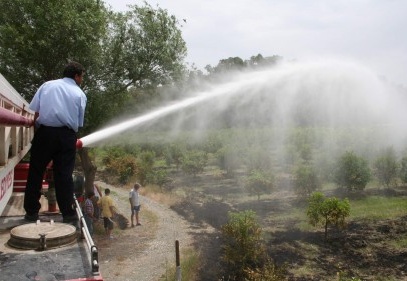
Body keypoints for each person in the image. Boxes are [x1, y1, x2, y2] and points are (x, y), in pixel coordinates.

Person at [24, 61, 87, 223]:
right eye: (81, 77)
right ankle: (68, 214)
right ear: (76, 76)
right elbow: (78, 124)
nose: (82, 80)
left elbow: (36, 113)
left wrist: (39, 132)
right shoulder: (80, 94)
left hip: (45, 132)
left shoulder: (47, 86)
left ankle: (31, 212)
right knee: (64, 175)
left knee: (36, 172)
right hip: (66, 136)